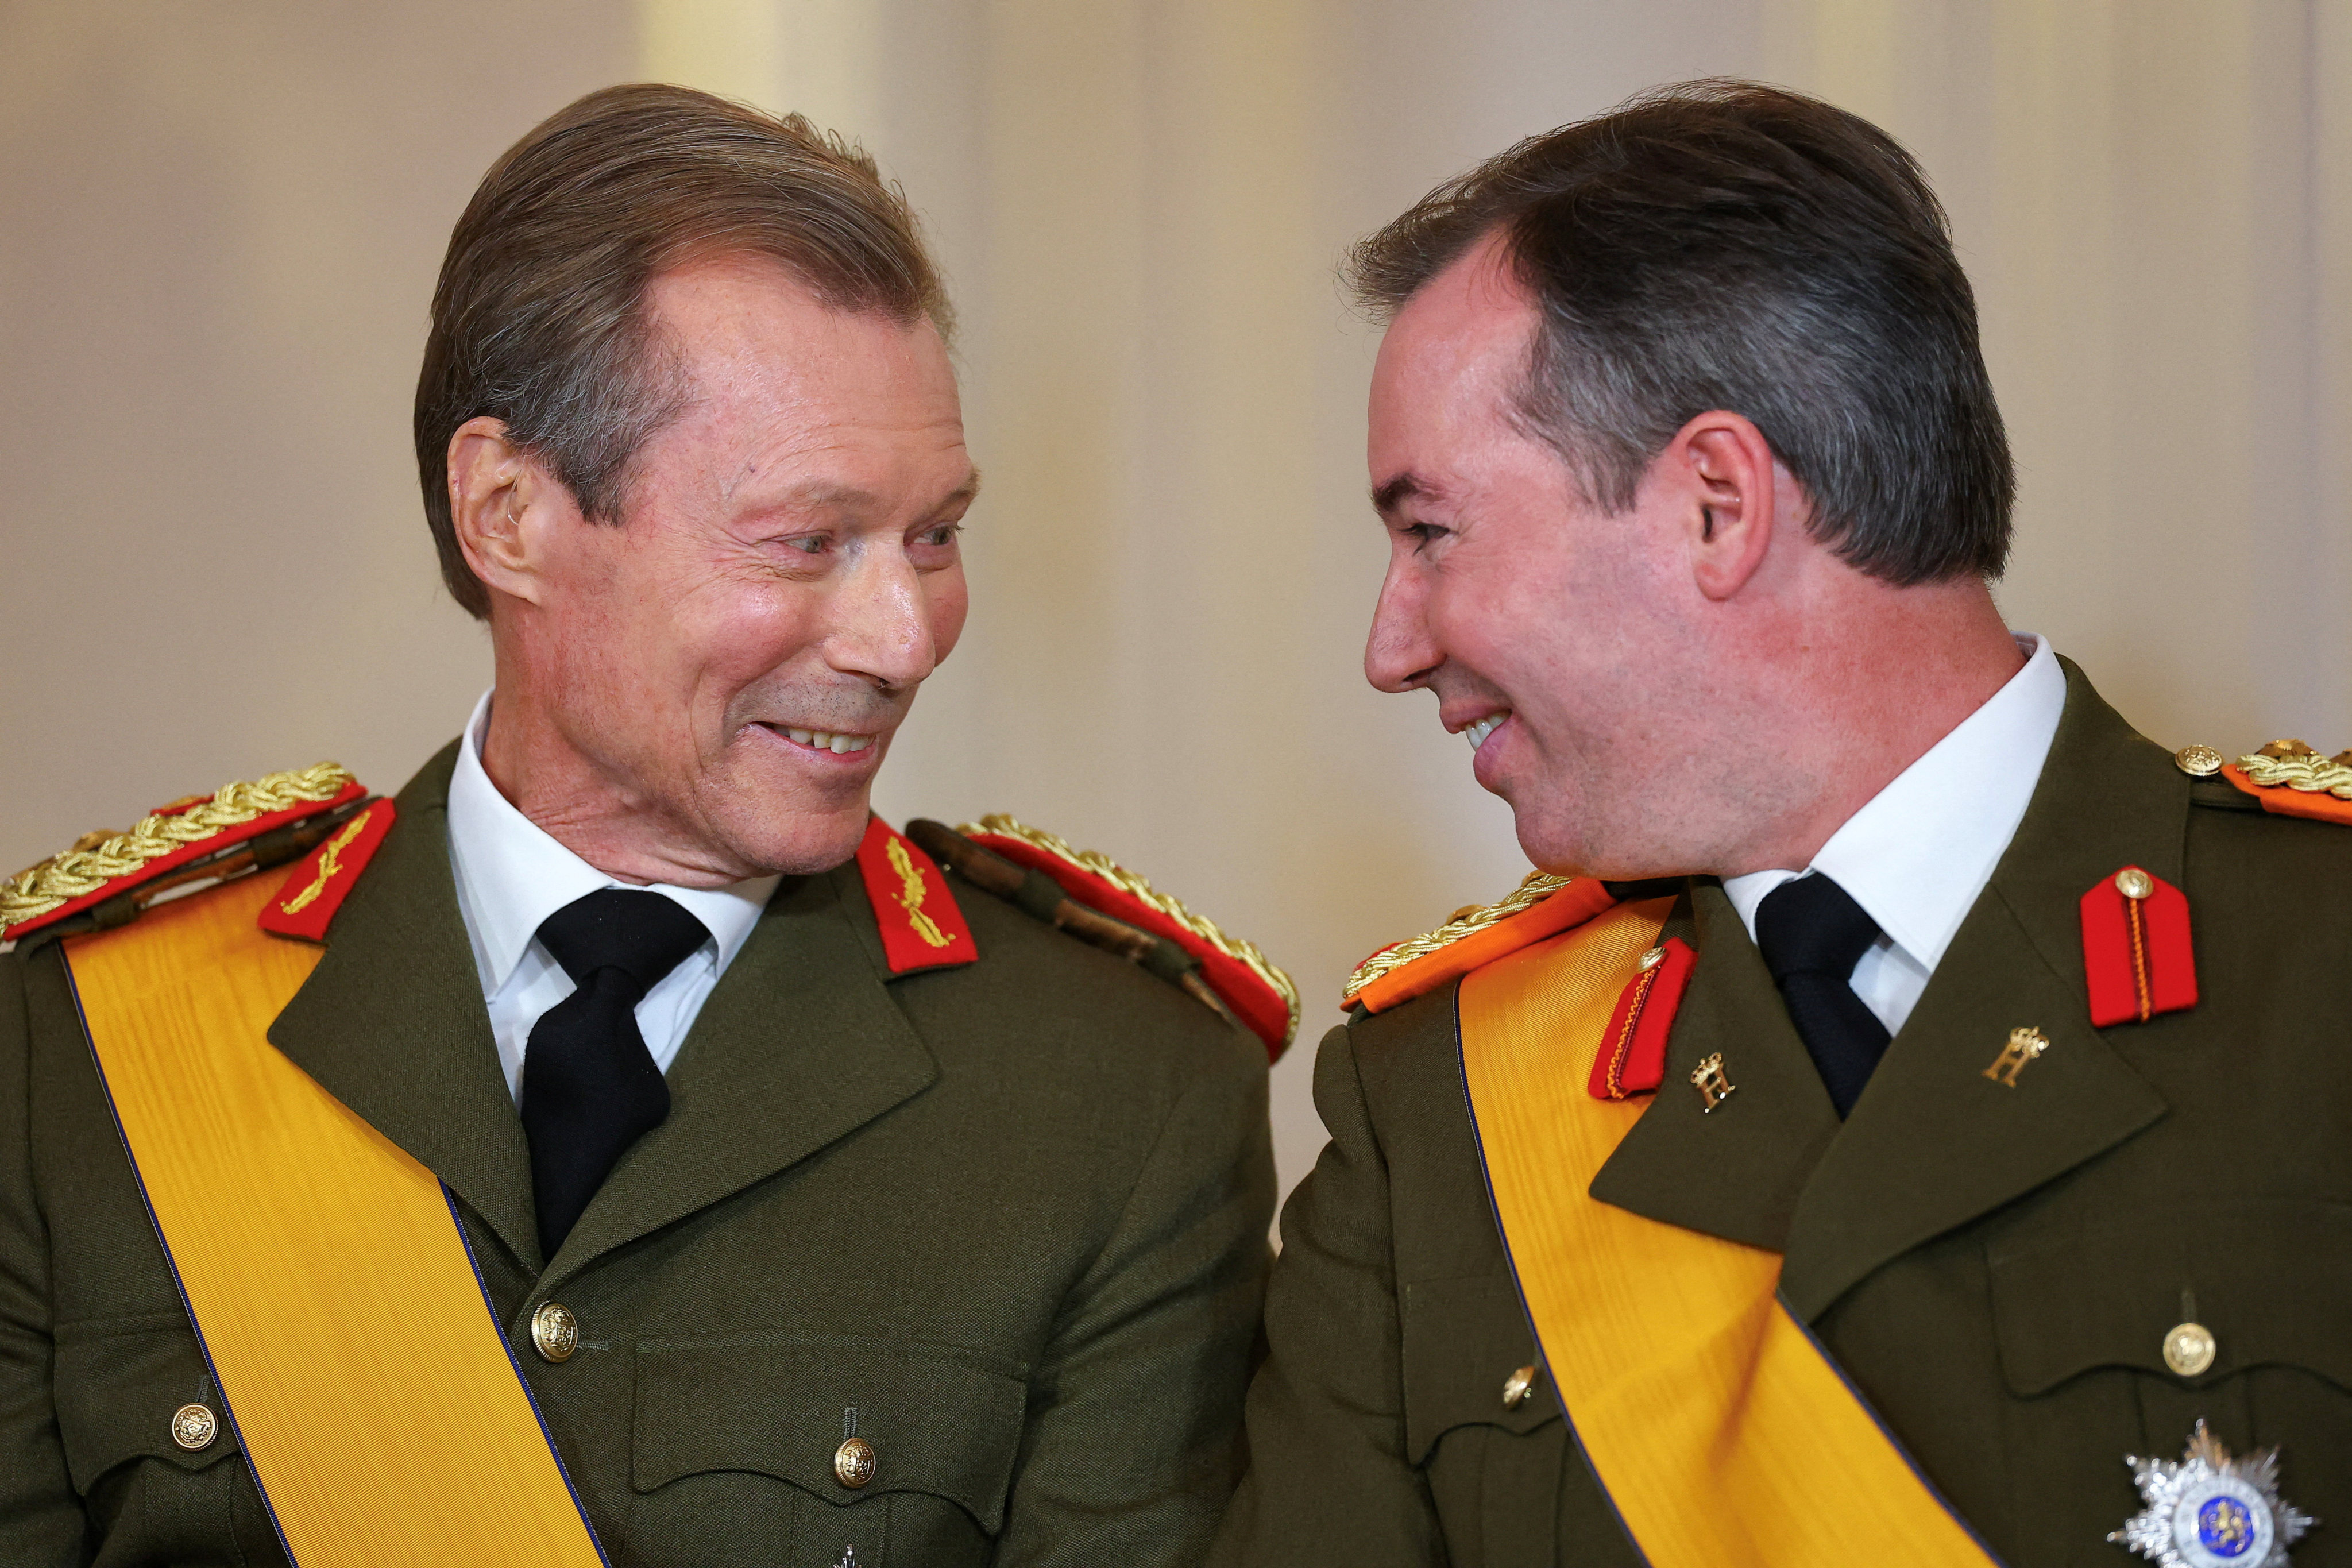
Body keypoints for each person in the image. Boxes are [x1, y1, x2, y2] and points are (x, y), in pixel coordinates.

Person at [0, 84, 1286, 1567]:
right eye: (811, 539)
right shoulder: (77, 1049)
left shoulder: (1116, 1092)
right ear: (508, 513)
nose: (906, 634)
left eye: (934, 534)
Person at [1212, 81, 2345, 1567]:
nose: (1390, 642)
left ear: (1715, 505)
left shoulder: (2318, 966)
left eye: (1431, 533)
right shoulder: (1436, 1113)